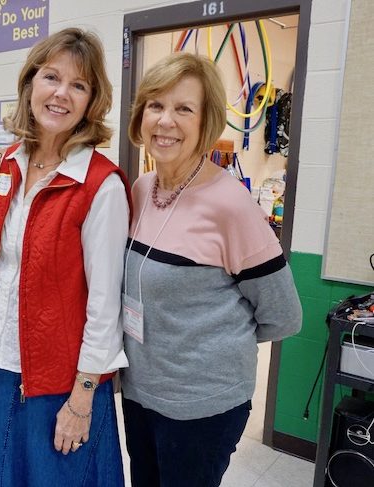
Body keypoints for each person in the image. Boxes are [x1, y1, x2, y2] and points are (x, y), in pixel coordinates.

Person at [121, 52, 302, 487]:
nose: (166, 121)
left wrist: (208, 342)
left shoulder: (230, 205)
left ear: (207, 121)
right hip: (140, 392)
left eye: (184, 108)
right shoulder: (141, 189)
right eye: (156, 105)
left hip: (203, 405)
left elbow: (284, 316)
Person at [0, 28, 130, 486]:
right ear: (30, 84)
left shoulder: (101, 186)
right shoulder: (9, 166)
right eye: (51, 77)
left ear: (91, 101)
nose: (61, 93)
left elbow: (104, 306)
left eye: (78, 85)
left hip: (59, 384)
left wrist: (81, 400)